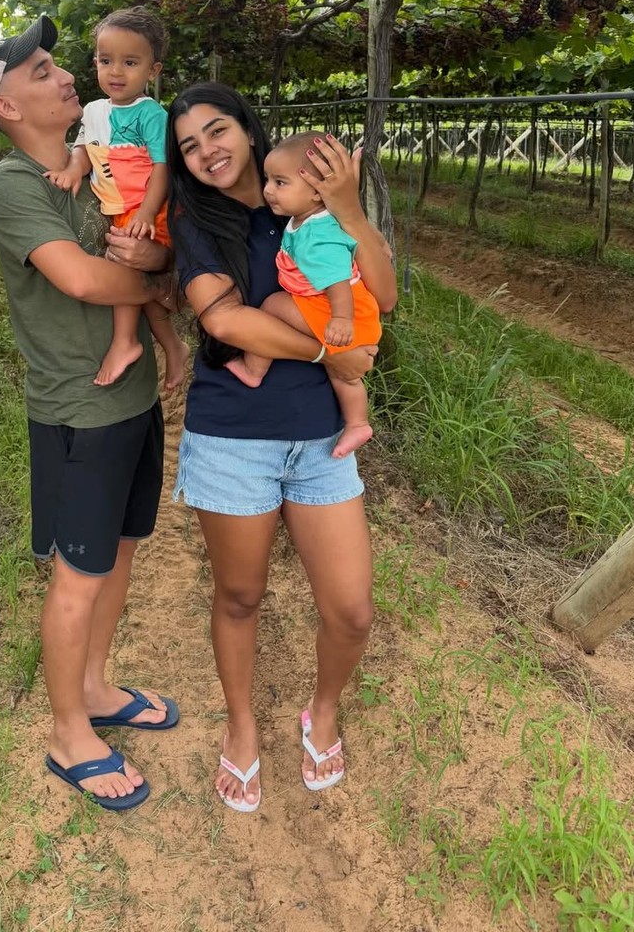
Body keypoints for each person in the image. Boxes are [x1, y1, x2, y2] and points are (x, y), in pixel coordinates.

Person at [0, 14, 180, 812]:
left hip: (131, 398)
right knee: (77, 576)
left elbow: (151, 243)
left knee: (118, 552)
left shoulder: (97, 170)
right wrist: (159, 287)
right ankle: (67, 733)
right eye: (45, 70)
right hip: (76, 410)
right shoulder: (14, 185)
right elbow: (85, 282)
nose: (67, 77)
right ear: (8, 107)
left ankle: (94, 685)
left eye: (62, 64)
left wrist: (158, 267)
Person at [162, 82, 397, 812]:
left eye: (218, 130)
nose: (208, 151)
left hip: (321, 439)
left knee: (352, 610)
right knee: (239, 594)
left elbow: (382, 297)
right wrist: (334, 355)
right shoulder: (193, 219)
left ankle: (320, 712)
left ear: (250, 128)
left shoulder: (304, 199)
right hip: (233, 436)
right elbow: (227, 324)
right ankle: (240, 728)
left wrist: (352, 208)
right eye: (190, 145)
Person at [44, 6, 189, 392]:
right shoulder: (93, 111)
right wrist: (74, 171)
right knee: (141, 284)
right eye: (106, 61)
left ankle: (125, 342)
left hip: (145, 208)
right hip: (118, 208)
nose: (116, 72)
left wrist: (145, 211)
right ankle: (173, 347)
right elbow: (82, 148)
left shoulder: (151, 114)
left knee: (124, 270)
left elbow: (161, 169)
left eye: (130, 62)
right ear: (95, 62)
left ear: (153, 71)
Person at [224, 130, 383, 459]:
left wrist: (341, 319)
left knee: (270, 305)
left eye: (280, 183)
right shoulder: (306, 220)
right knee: (341, 372)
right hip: (346, 311)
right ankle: (357, 423)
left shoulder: (315, 236)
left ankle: (255, 368)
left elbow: (337, 280)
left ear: (316, 193)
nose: (268, 190)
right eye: (268, 179)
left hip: (343, 312)